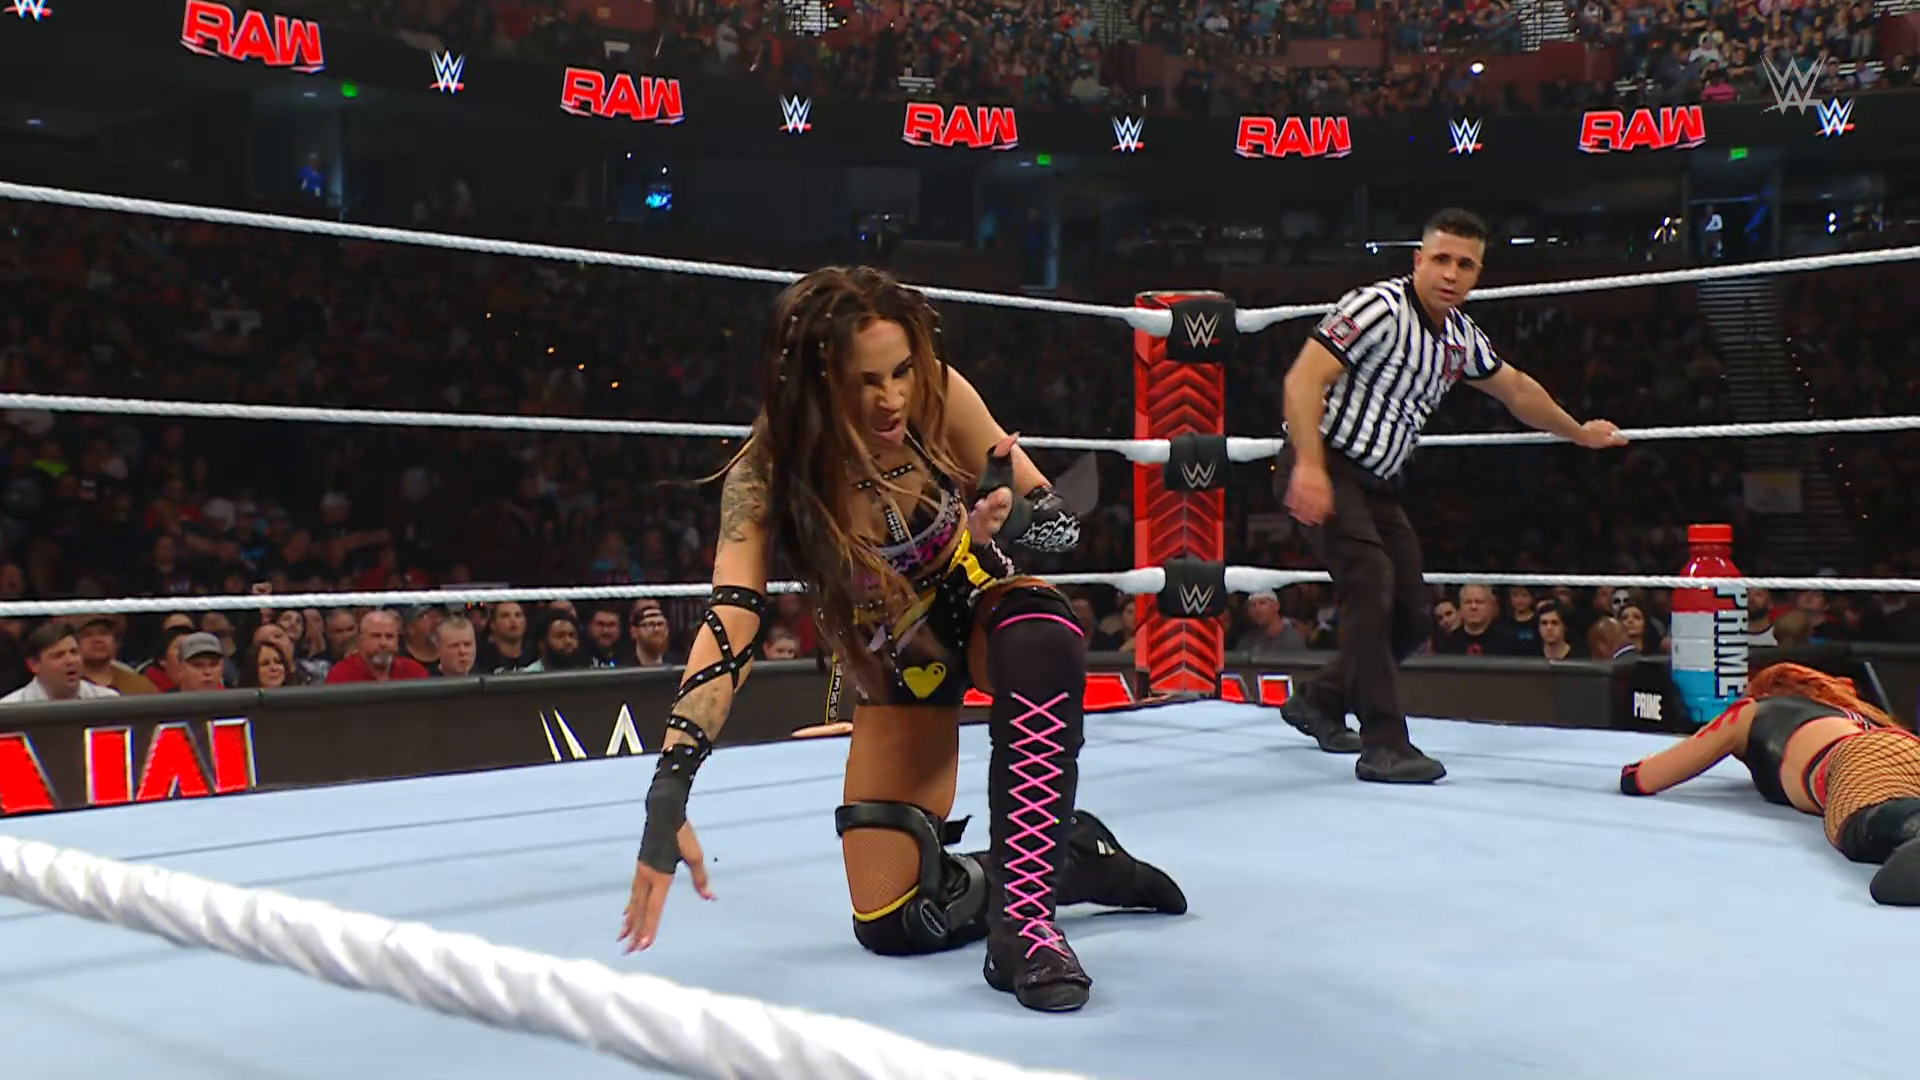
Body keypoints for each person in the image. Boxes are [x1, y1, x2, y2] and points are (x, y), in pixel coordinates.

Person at [617, 266, 1186, 1013]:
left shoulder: (937, 394)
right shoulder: (770, 471)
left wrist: (1008, 510)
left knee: (1044, 636)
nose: (891, 399)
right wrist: (670, 790)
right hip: (897, 659)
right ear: (817, 383)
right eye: (866, 381)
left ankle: (1026, 928)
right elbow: (732, 623)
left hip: (977, 602)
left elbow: (1058, 522)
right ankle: (1074, 858)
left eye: (901, 371)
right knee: (895, 918)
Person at [1275, 207, 1627, 783]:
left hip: (1377, 482)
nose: (1451, 274)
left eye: (1465, 264)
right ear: (1418, 260)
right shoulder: (1376, 307)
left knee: (1415, 615)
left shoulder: (1461, 338)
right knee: (1370, 581)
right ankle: (1384, 744)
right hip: (1324, 462)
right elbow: (1303, 378)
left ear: (1478, 273)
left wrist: (1578, 432)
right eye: (1441, 259)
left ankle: (1320, 700)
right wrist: (1309, 466)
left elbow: (1516, 389)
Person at [1619, 663, 1920, 906]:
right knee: (1874, 823)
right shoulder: (1850, 717)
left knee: (1858, 826)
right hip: (1904, 749)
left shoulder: (1750, 712)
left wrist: (1634, 771)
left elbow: (1644, 777)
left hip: (1859, 756)